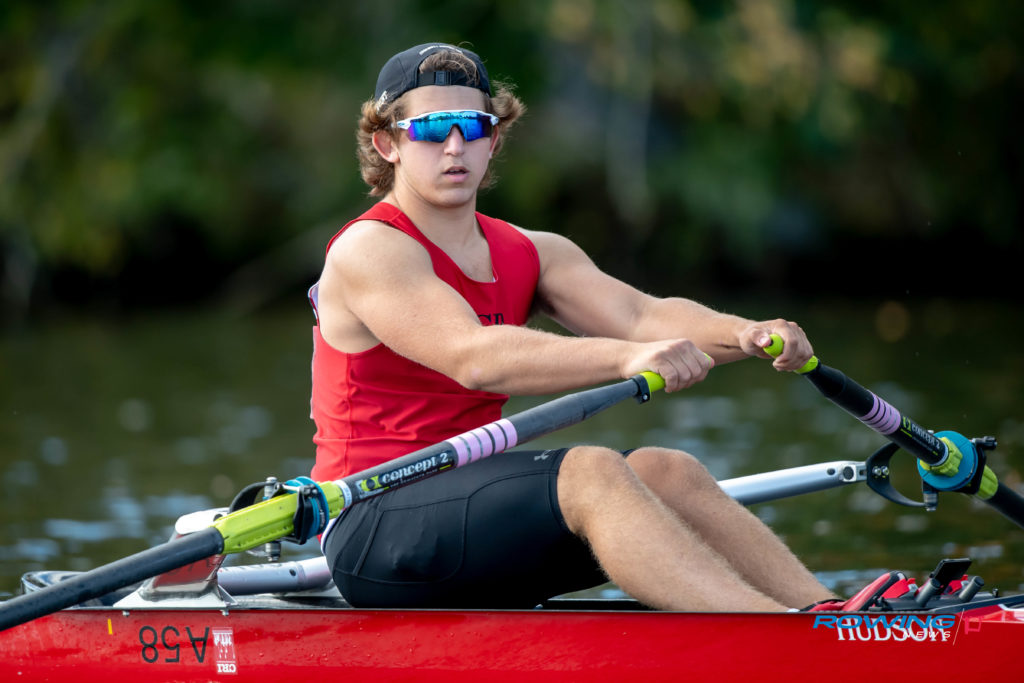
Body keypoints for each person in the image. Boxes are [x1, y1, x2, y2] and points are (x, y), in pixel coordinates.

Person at [307, 42, 837, 612]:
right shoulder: (370, 249)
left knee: (668, 470)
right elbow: (473, 357)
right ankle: (771, 631)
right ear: (388, 143)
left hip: (473, 511)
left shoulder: (534, 252)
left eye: (473, 126)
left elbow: (639, 316)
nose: (455, 145)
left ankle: (831, 618)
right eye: (432, 129)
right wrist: (626, 358)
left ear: (494, 139)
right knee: (591, 471)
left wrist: (747, 334)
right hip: (372, 521)